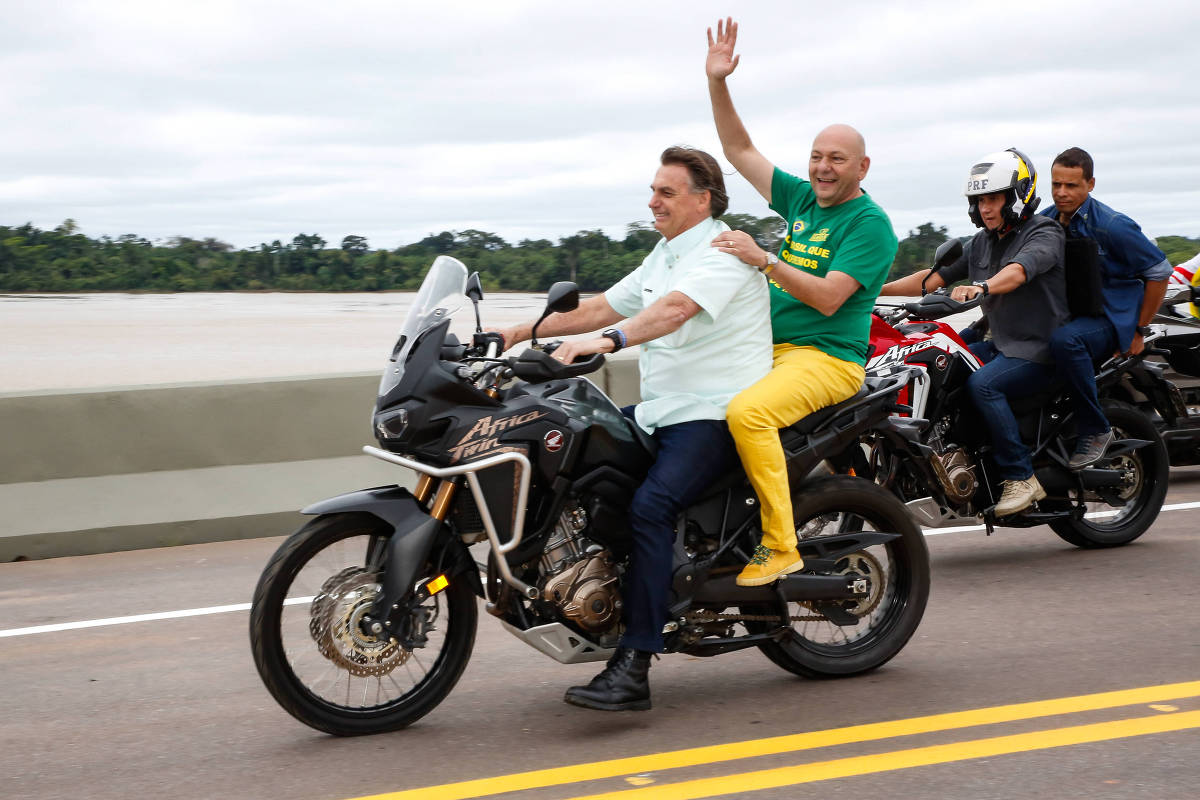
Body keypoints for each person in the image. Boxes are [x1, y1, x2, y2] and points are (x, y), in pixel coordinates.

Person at [496, 146, 772, 711]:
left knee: (650, 506)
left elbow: (672, 311)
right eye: (653, 191)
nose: (653, 202)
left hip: (716, 414)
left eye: (666, 192)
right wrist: (518, 332)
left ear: (703, 199)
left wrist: (609, 341)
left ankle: (635, 662)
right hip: (662, 411)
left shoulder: (724, 251)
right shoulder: (665, 254)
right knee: (579, 463)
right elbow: (602, 307)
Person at [704, 17, 897, 586]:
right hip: (768, 348)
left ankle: (781, 544)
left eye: (836, 158)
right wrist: (717, 81)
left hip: (826, 358)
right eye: (816, 156)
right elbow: (738, 148)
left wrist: (764, 259)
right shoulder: (802, 199)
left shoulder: (869, 224)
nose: (822, 168)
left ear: (861, 167)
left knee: (748, 414)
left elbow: (830, 298)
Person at [880, 148, 1067, 517]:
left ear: (1018, 196)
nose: (985, 208)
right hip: (1001, 343)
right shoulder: (982, 241)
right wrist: (871, 291)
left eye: (994, 199)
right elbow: (931, 279)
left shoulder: (1044, 232)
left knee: (983, 385)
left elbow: (1019, 270)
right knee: (938, 363)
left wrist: (981, 287)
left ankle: (1021, 477)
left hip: (1038, 348)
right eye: (980, 201)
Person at [1043, 147, 1175, 467]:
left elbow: (1160, 272)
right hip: (1072, 315)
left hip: (1111, 319)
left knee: (1066, 341)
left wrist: (1139, 329)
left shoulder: (1112, 226)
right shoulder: (1045, 221)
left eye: (1071, 185)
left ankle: (1095, 429)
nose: (1062, 192)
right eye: (1056, 184)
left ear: (1090, 184)